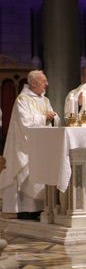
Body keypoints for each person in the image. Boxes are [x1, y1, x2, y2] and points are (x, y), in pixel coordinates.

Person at [0, 70, 59, 220]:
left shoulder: (45, 100)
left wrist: (52, 118)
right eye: (43, 81)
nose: (47, 84)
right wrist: (43, 117)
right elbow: (24, 122)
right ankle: (25, 210)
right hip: (24, 146)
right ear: (33, 83)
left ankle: (40, 209)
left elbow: (52, 119)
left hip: (42, 145)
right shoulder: (23, 99)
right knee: (26, 175)